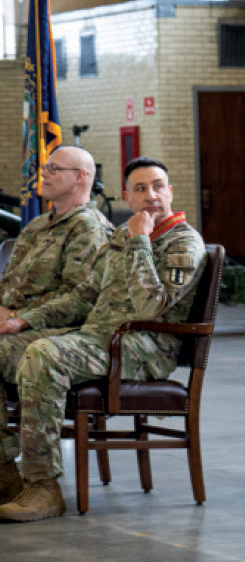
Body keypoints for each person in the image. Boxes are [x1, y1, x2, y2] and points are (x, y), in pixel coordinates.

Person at [0, 157, 206, 522]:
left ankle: (44, 488)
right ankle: (4, 474)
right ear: (127, 196)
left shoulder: (184, 242)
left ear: (170, 192)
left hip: (142, 347)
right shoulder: (118, 238)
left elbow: (150, 308)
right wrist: (23, 320)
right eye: (140, 189)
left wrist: (141, 242)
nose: (151, 196)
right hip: (98, 339)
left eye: (158, 186)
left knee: (44, 355)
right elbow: (83, 296)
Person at [0, 146, 113, 505]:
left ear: (81, 177)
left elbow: (80, 298)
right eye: (44, 168)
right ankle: (4, 473)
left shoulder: (88, 227)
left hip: (61, 332)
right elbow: (8, 287)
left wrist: (20, 320)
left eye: (53, 169)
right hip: (19, 325)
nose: (43, 174)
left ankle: (42, 485)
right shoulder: (36, 226)